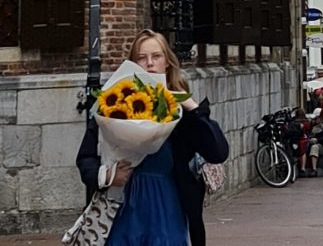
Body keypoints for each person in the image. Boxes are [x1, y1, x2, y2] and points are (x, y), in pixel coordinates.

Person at [76, 30, 228, 246]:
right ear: (133, 63)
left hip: (168, 203)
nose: (149, 63)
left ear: (167, 62)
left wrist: (192, 107)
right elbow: (85, 158)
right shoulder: (114, 105)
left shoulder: (181, 111)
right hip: (122, 203)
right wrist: (108, 176)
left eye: (156, 56)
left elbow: (218, 151)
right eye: (141, 57)